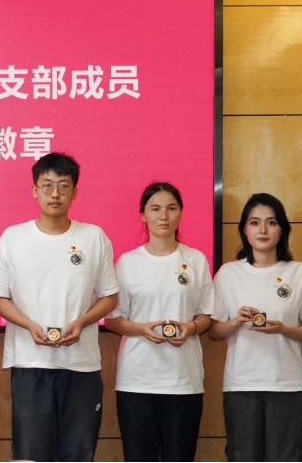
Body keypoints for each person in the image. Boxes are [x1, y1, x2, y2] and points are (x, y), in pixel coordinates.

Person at [0, 152, 119, 462]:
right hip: (30, 364)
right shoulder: (13, 237)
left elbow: (109, 297)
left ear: (75, 191)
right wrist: (29, 325)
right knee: (30, 455)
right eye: (47, 185)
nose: (55, 194)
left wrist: (82, 322)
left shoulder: (93, 237)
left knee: (79, 453)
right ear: (34, 190)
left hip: (81, 366)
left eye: (63, 186)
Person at [208, 193, 302, 462]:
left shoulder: (300, 272)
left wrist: (283, 329)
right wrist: (236, 321)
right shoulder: (228, 273)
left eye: (271, 222)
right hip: (241, 385)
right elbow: (214, 332)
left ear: (282, 229)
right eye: (254, 222)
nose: (263, 230)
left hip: (287, 385)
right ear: (244, 229)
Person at [103, 182, 213, 462]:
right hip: (137, 382)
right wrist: (141, 329)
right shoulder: (128, 262)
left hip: (184, 381)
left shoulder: (196, 260)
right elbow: (113, 320)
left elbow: (206, 315)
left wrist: (191, 328)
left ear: (180, 213)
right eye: (155, 209)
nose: (163, 216)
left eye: (171, 208)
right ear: (143, 214)